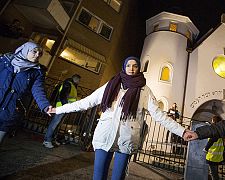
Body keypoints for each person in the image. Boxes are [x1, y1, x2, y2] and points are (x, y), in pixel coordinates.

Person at [48, 56, 193, 180]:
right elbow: (86, 102)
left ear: (139, 68)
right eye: (128, 65)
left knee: (118, 177)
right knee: (99, 176)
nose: (131, 68)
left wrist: (182, 131)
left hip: (126, 139)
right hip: (105, 136)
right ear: (124, 67)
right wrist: (57, 109)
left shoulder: (144, 91)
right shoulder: (112, 84)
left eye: (135, 66)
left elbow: (160, 116)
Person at [0, 41, 52, 144]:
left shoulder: (37, 72)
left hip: (9, 111)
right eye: (35, 51)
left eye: (40, 53)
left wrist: (45, 106)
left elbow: (38, 90)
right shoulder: (4, 61)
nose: (37, 55)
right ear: (25, 50)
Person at [43, 74, 81, 148]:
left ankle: (52, 139)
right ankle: (47, 141)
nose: (79, 82)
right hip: (62, 107)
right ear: (75, 79)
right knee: (54, 124)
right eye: (79, 80)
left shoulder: (71, 85)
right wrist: (65, 105)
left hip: (65, 107)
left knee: (57, 124)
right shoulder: (68, 84)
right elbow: (63, 95)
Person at [204, 115, 224, 180]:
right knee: (214, 173)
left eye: (212, 121)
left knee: (213, 174)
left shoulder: (214, 130)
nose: (211, 122)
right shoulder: (221, 130)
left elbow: (212, 140)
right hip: (218, 157)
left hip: (212, 156)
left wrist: (205, 148)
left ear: (214, 121)